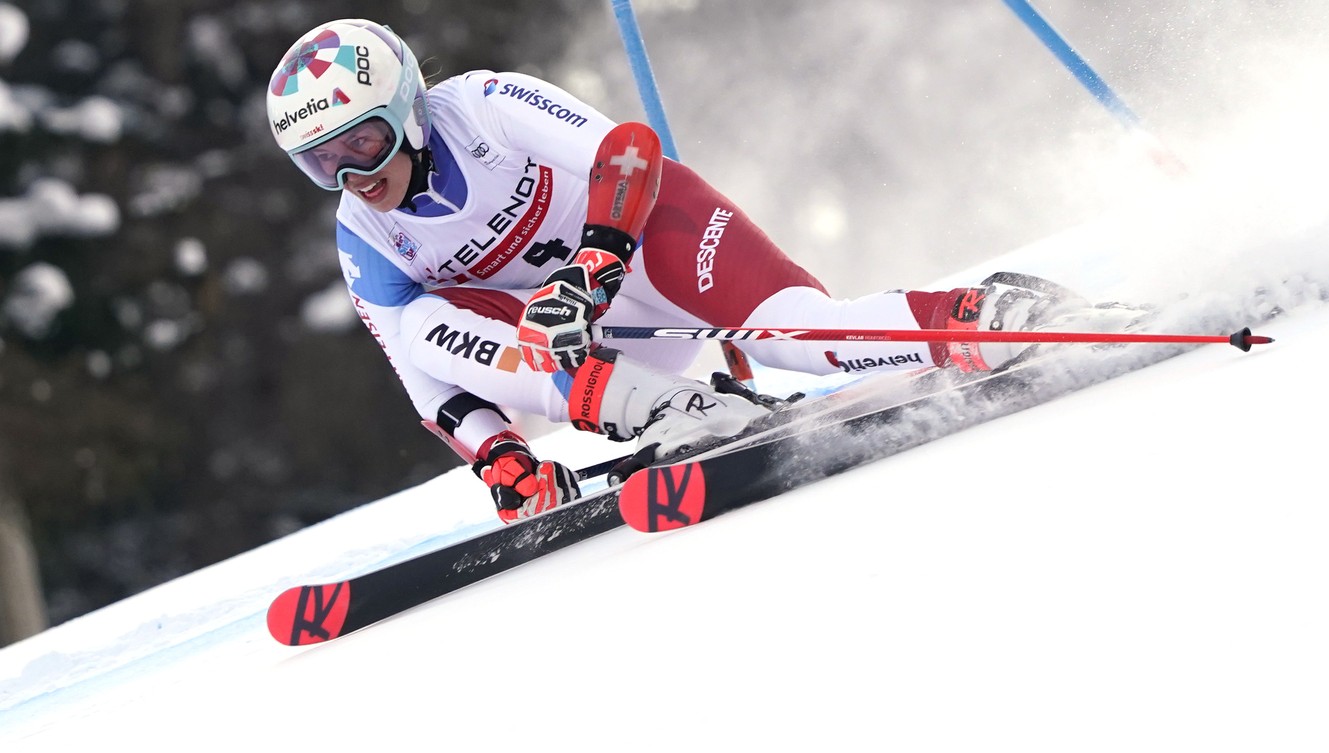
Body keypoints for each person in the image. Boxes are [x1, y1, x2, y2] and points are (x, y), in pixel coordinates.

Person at [265, 19, 1129, 524]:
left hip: (649, 240)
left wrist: (593, 265)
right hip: (589, 342)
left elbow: (629, 153)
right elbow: (424, 381)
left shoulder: (486, 105)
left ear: (409, 109)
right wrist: (499, 457)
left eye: (364, 142)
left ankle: (986, 313)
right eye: (321, 162)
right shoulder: (364, 235)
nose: (354, 177)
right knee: (422, 326)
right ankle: (682, 409)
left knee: (803, 344)